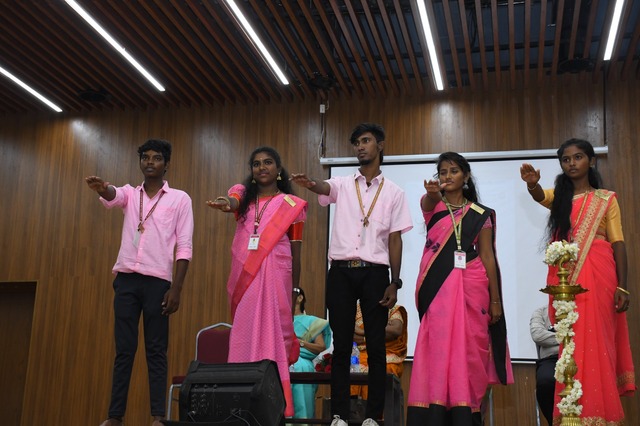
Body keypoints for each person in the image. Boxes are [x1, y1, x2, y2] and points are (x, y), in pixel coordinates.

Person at [291, 123, 413, 426]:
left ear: (380, 145)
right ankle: (339, 415)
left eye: (366, 141)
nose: (360, 146)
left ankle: (373, 416)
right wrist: (311, 183)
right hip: (341, 273)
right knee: (342, 345)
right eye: (356, 142)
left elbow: (395, 239)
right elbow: (324, 187)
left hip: (375, 273)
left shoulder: (394, 192)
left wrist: (395, 282)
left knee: (376, 346)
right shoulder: (344, 183)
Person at [520, 138, 636, 423]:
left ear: (591, 161)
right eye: (566, 159)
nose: (572, 163)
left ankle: (600, 413)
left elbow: (618, 242)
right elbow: (541, 196)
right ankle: (574, 410)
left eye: (578, 157)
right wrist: (533, 185)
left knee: (599, 339)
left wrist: (623, 285)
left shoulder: (606, 199)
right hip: (568, 279)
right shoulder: (560, 198)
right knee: (573, 340)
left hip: (600, 274)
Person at [85, 139, 194, 426]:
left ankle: (158, 416)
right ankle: (115, 416)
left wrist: (176, 288)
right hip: (126, 281)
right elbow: (113, 195)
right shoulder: (132, 195)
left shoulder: (180, 199)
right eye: (145, 157)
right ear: (140, 162)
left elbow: (184, 246)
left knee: (156, 350)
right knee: (124, 350)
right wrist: (102, 188)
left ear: (166, 164)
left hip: (158, 283)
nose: (150, 162)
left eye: (157, 158)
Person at [407, 152, 513, 426]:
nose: (447, 176)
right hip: (438, 290)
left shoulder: (480, 214)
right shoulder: (433, 206)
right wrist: (432, 193)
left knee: (470, 351)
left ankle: (466, 412)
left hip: (473, 286)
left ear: (465, 176)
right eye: (442, 172)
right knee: (438, 348)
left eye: (453, 171)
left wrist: (496, 300)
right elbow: (428, 200)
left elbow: (487, 256)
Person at [207, 146, 307, 418]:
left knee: (273, 333)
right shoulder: (243, 201)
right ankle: (239, 402)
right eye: (256, 163)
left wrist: (295, 289)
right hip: (246, 278)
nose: (262, 167)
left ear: (278, 169)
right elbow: (233, 199)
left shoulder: (291, 205)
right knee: (245, 330)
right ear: (251, 171)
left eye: (268, 162)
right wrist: (227, 203)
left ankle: (273, 405)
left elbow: (296, 250)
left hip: (277, 277)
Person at [291, 287, 332, 421]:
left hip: (302, 361)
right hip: (282, 360)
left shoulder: (312, 322)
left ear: (300, 298)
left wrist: (300, 343)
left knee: (299, 367)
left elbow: (321, 346)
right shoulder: (280, 320)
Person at [351, 301, 408, 398]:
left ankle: (378, 407)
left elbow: (396, 330)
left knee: (384, 369)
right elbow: (353, 336)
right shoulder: (354, 310)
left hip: (387, 353)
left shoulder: (392, 308)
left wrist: (363, 332)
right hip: (360, 354)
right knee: (350, 370)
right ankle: (354, 407)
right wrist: (383, 329)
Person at [529, 305, 559, 425]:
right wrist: (567, 337)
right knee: (545, 381)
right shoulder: (540, 312)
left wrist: (552, 335)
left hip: (580, 357)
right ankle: (554, 422)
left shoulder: (583, 310)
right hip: (551, 358)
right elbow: (538, 335)